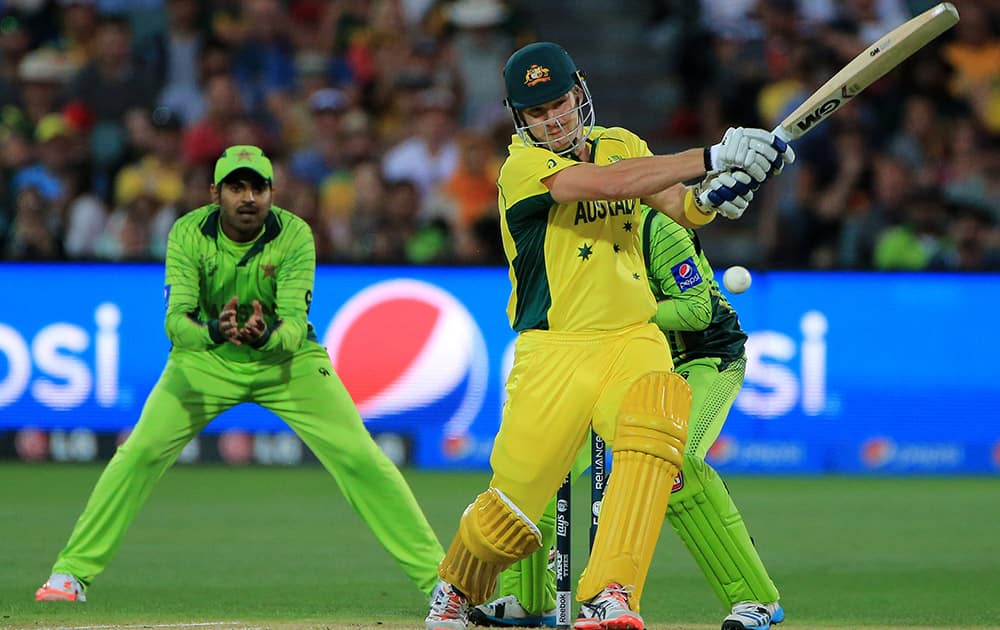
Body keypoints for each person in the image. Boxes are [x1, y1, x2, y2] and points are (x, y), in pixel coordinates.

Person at [425, 41, 793, 630]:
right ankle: (457, 586)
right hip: (555, 348)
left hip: (632, 335)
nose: (554, 119)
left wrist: (717, 195)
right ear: (520, 119)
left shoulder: (623, 143)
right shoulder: (522, 169)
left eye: (560, 103)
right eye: (537, 112)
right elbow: (598, 185)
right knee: (515, 507)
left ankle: (609, 593)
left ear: (580, 93)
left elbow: (674, 204)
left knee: (653, 439)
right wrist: (711, 153)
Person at [35, 145, 445, 602]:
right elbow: (176, 323)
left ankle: (439, 583)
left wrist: (263, 336)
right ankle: (70, 573)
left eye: (258, 187)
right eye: (236, 187)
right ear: (216, 193)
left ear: (272, 193)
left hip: (287, 364)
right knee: (139, 453)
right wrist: (214, 330)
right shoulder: (188, 233)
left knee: (361, 459)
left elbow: (292, 326)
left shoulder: (294, 235)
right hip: (205, 360)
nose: (247, 197)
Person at [471, 205, 785, 630]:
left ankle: (754, 599)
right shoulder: (574, 229)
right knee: (542, 460)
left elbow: (697, 310)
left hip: (701, 358)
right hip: (614, 361)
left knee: (673, 466)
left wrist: (622, 311)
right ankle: (530, 600)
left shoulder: (661, 228)